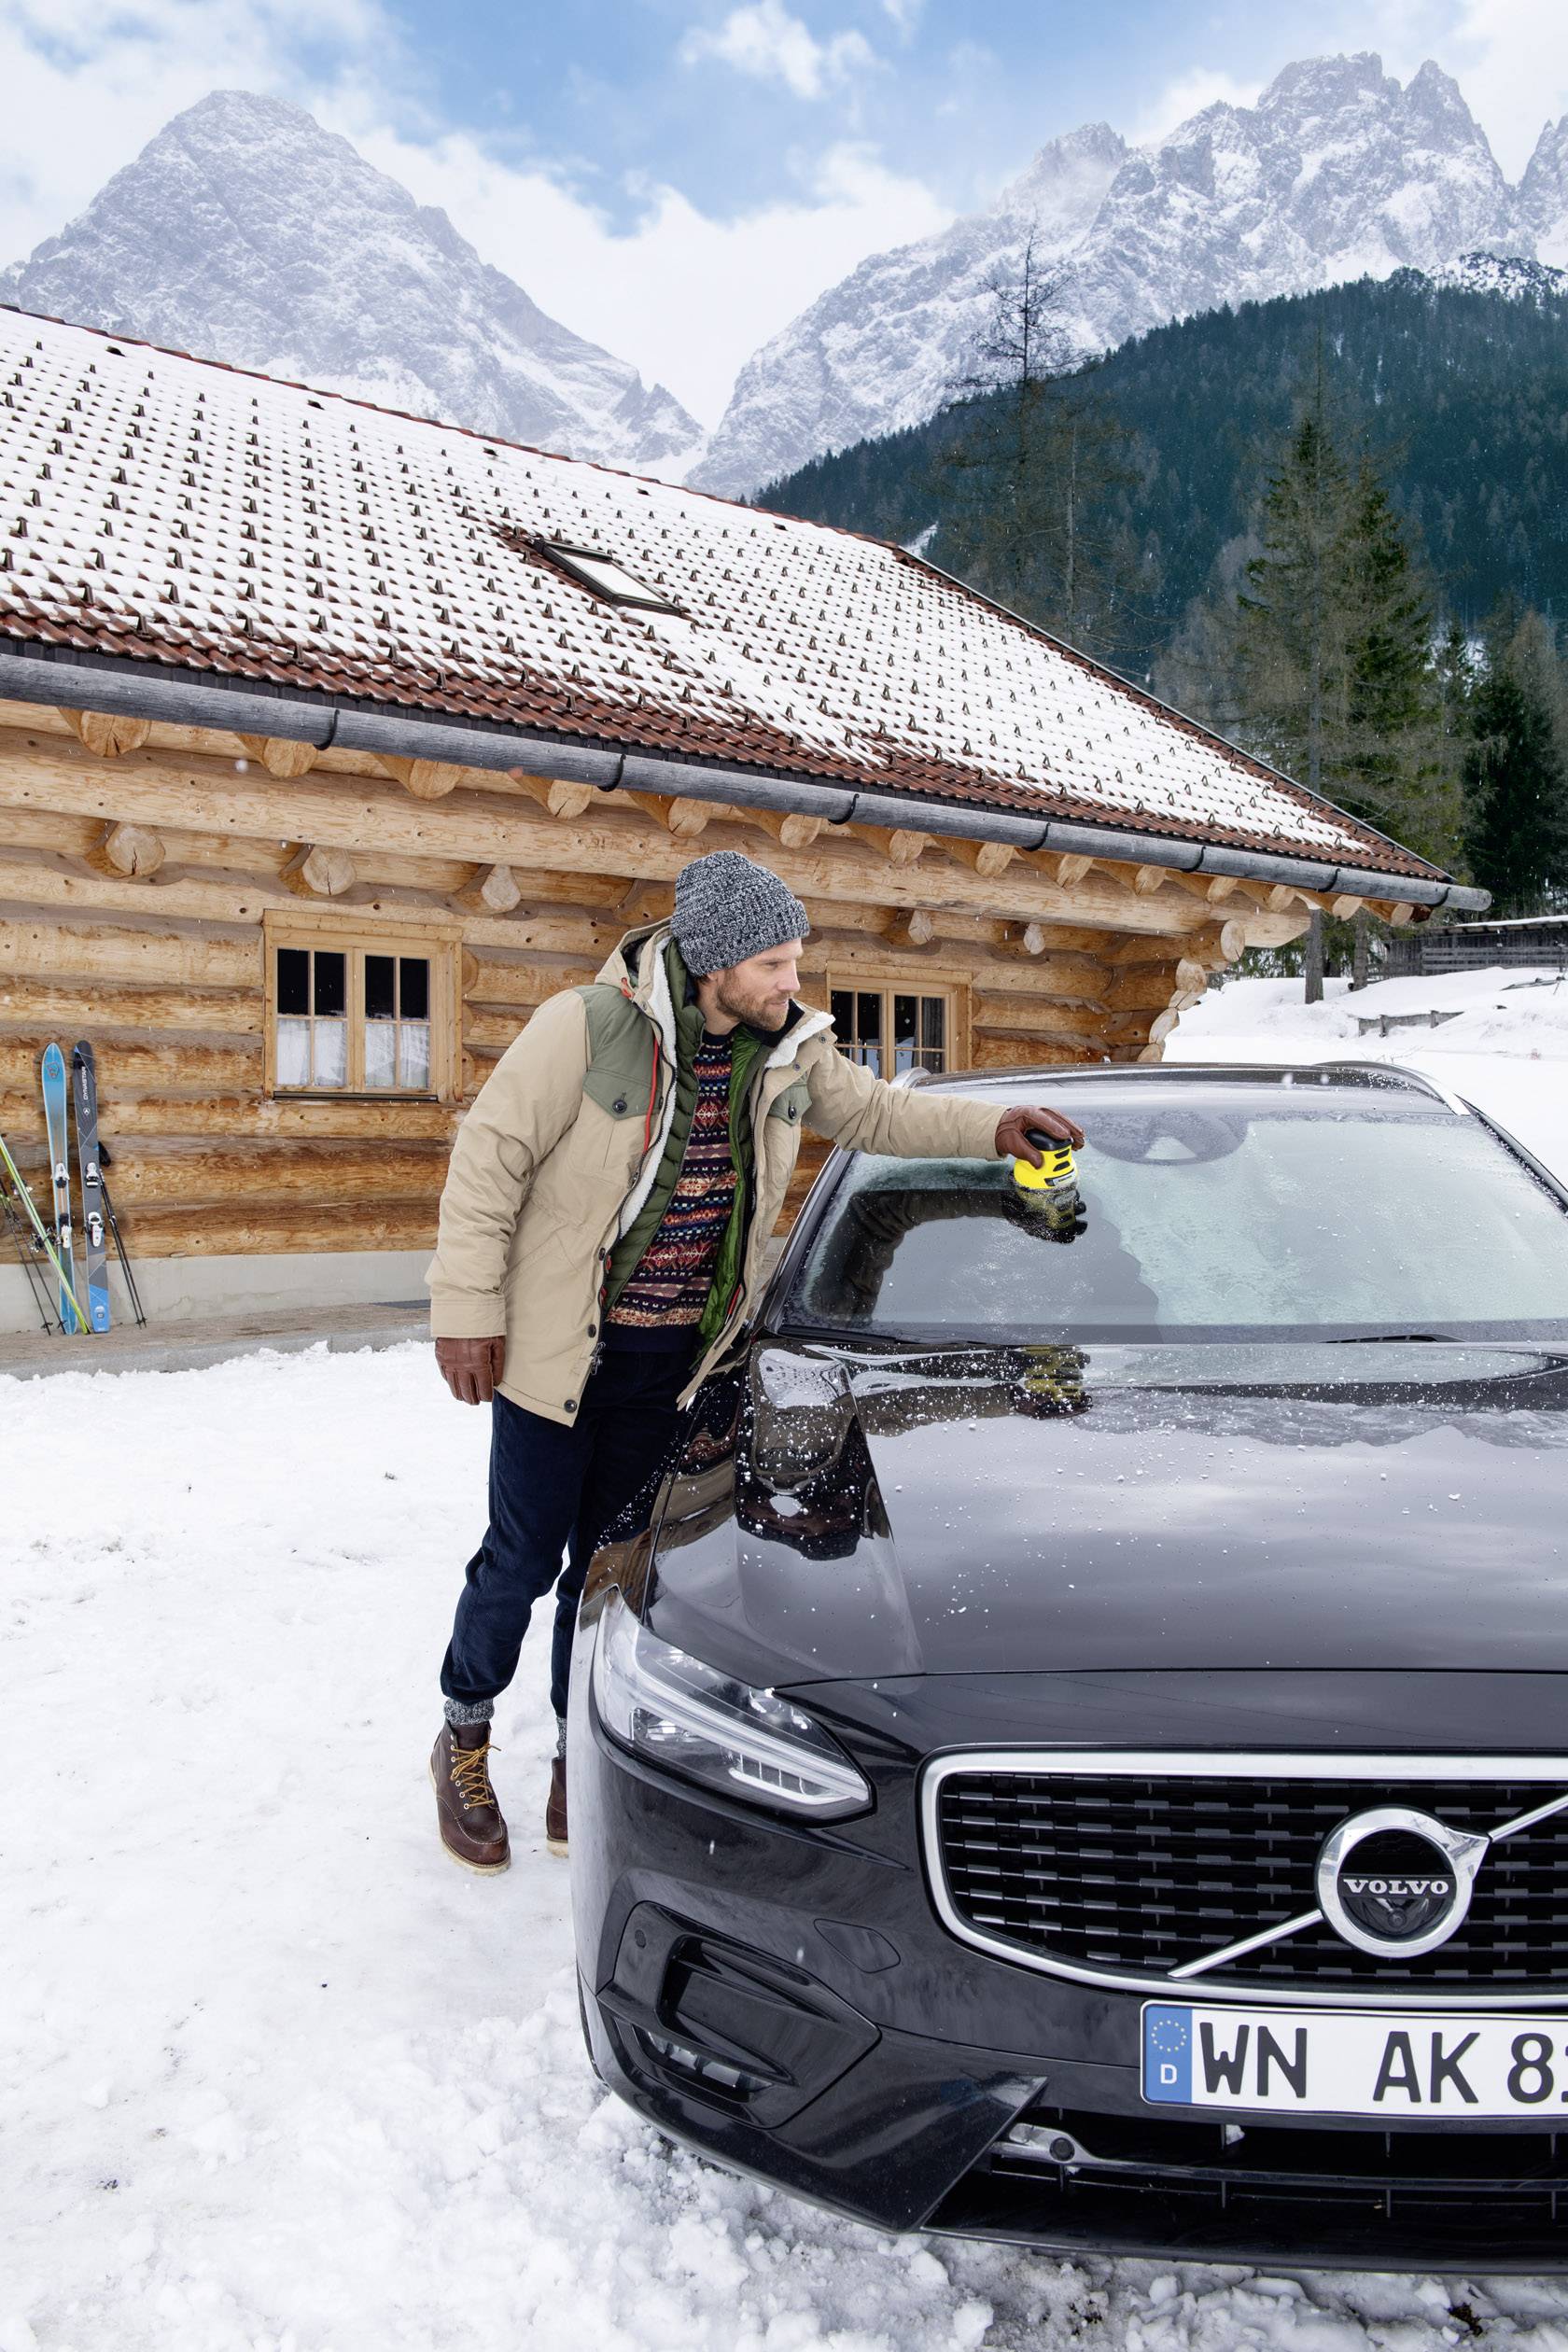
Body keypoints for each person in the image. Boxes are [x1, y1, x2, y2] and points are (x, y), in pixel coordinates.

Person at [425, 848, 1085, 1872]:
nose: (792, 982)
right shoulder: (588, 1031)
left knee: (601, 1574)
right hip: (556, 1357)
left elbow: (875, 1111)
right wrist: (466, 1312)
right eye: (775, 963)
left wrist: (992, 1125)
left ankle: (571, 1755)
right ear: (715, 963)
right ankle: (463, 1736)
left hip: (670, 1368)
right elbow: (489, 1161)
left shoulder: (788, 1050)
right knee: (517, 1560)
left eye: (795, 960)